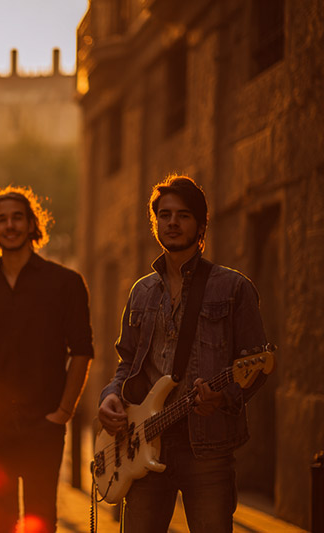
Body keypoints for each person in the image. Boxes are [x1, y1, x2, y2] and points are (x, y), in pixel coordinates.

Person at [97, 175, 268, 533]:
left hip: (207, 448)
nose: (172, 222)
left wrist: (223, 397)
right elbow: (127, 362)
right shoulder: (142, 292)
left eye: (184, 215)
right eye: (165, 215)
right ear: (155, 223)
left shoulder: (234, 288)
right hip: (143, 442)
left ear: (202, 225)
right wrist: (111, 395)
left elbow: (255, 368)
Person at [0, 186, 93, 533]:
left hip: (44, 423)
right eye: (1, 220)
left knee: (42, 518)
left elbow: (82, 351)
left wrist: (63, 413)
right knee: (0, 520)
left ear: (32, 224)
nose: (10, 226)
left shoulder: (65, 283)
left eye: (17, 218)